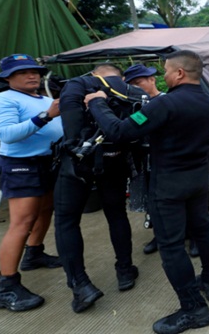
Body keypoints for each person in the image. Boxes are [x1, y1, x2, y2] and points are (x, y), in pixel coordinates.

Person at [84, 50, 209, 334]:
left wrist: (98, 104)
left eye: (167, 71)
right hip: (197, 180)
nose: (164, 77)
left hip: (169, 185)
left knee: (171, 247)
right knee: (202, 229)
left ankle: (194, 309)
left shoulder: (165, 104)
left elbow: (120, 132)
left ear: (180, 73)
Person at [53, 63, 147, 313]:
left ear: (95, 74)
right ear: (121, 76)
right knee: (116, 215)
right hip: (115, 161)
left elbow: (70, 128)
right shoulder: (132, 91)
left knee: (66, 221)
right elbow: (138, 125)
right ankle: (125, 270)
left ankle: (81, 285)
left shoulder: (77, 85)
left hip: (78, 165)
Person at [0, 54, 64, 312]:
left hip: (48, 161)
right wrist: (46, 116)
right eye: (23, 72)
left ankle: (34, 253)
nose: (32, 75)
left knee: (45, 209)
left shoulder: (46, 99)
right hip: (22, 165)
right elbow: (7, 134)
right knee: (22, 222)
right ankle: (5, 287)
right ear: (7, 77)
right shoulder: (0, 99)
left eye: (35, 71)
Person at [124, 63, 200, 258]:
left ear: (151, 79)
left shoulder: (168, 101)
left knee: (186, 202)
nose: (135, 86)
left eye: (138, 82)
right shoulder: (131, 104)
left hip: (173, 162)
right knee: (153, 202)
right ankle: (159, 235)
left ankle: (193, 236)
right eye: (131, 84)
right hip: (146, 160)